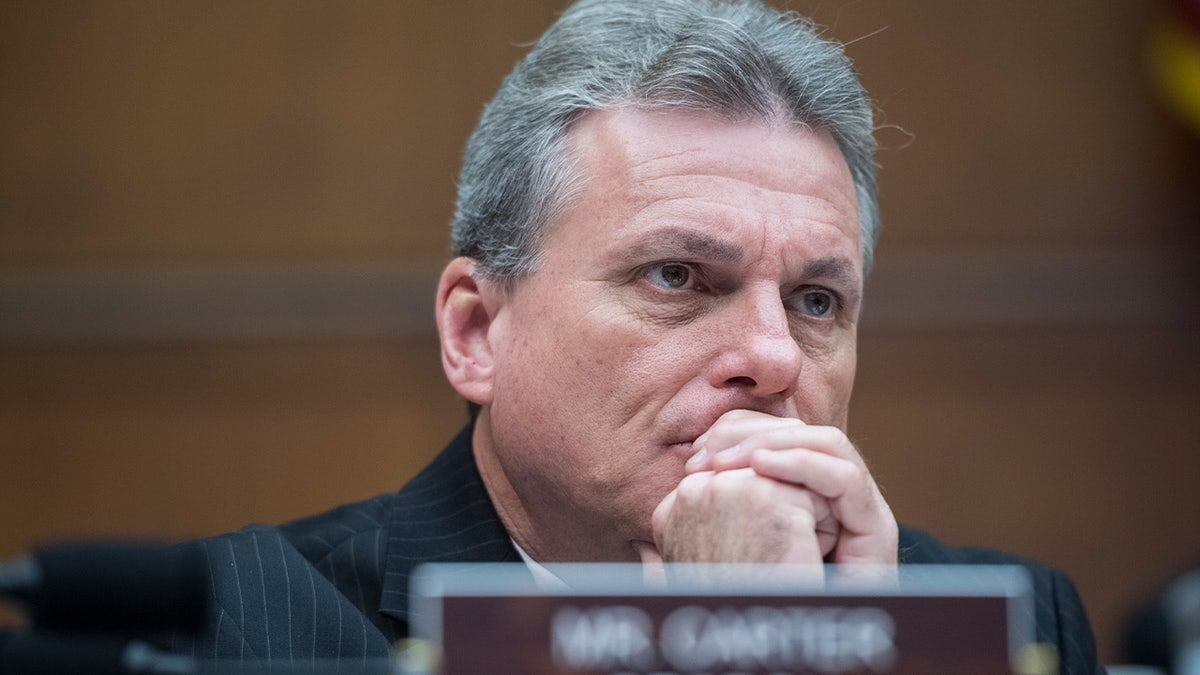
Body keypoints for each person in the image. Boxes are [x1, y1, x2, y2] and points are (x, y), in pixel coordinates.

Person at [171, 0, 1102, 671]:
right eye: (678, 278)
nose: (776, 357)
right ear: (476, 331)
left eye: (817, 300)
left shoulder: (1010, 626)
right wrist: (739, 642)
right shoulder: (254, 623)